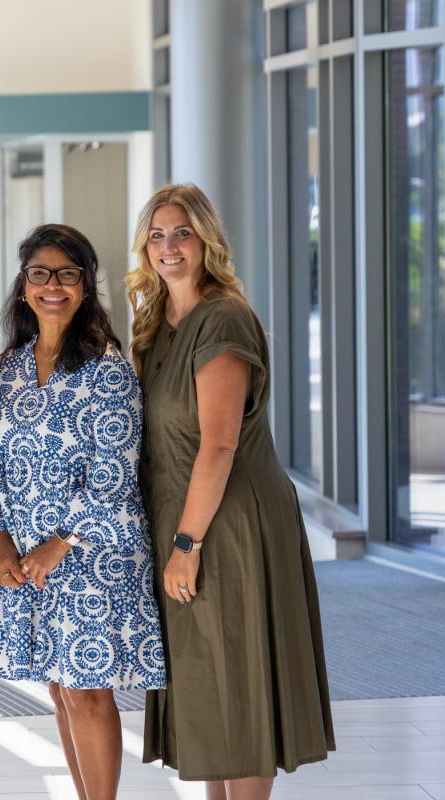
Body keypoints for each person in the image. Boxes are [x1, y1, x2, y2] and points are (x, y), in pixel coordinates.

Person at [129, 184, 335, 799]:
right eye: (157, 234)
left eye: (182, 233)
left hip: (228, 520)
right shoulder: (155, 320)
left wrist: (188, 542)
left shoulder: (223, 316)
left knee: (239, 678)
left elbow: (218, 445)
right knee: (208, 682)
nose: (169, 247)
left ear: (206, 240)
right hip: (183, 513)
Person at [0, 224, 166, 800]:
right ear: (23, 285)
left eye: (67, 274)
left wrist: (58, 543)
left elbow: (115, 473)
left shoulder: (106, 369)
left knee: (88, 692)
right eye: (40, 273)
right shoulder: (7, 367)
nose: (53, 285)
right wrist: (1, 541)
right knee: (60, 690)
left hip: (91, 554)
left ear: (87, 285)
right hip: (28, 559)